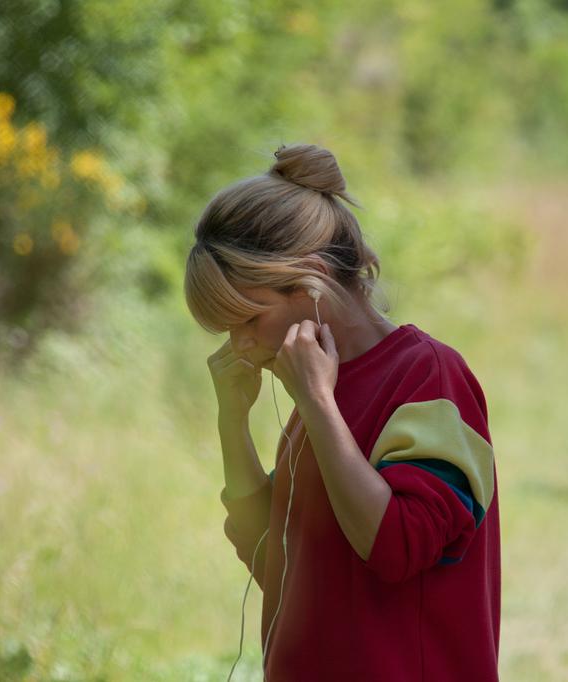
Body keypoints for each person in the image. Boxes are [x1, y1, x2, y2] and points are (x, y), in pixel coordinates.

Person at [184, 143, 500, 681]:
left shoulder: (428, 378)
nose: (239, 345)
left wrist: (317, 403)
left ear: (310, 284)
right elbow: (277, 566)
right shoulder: (320, 395)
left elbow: (397, 547)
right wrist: (232, 425)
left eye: (248, 319)